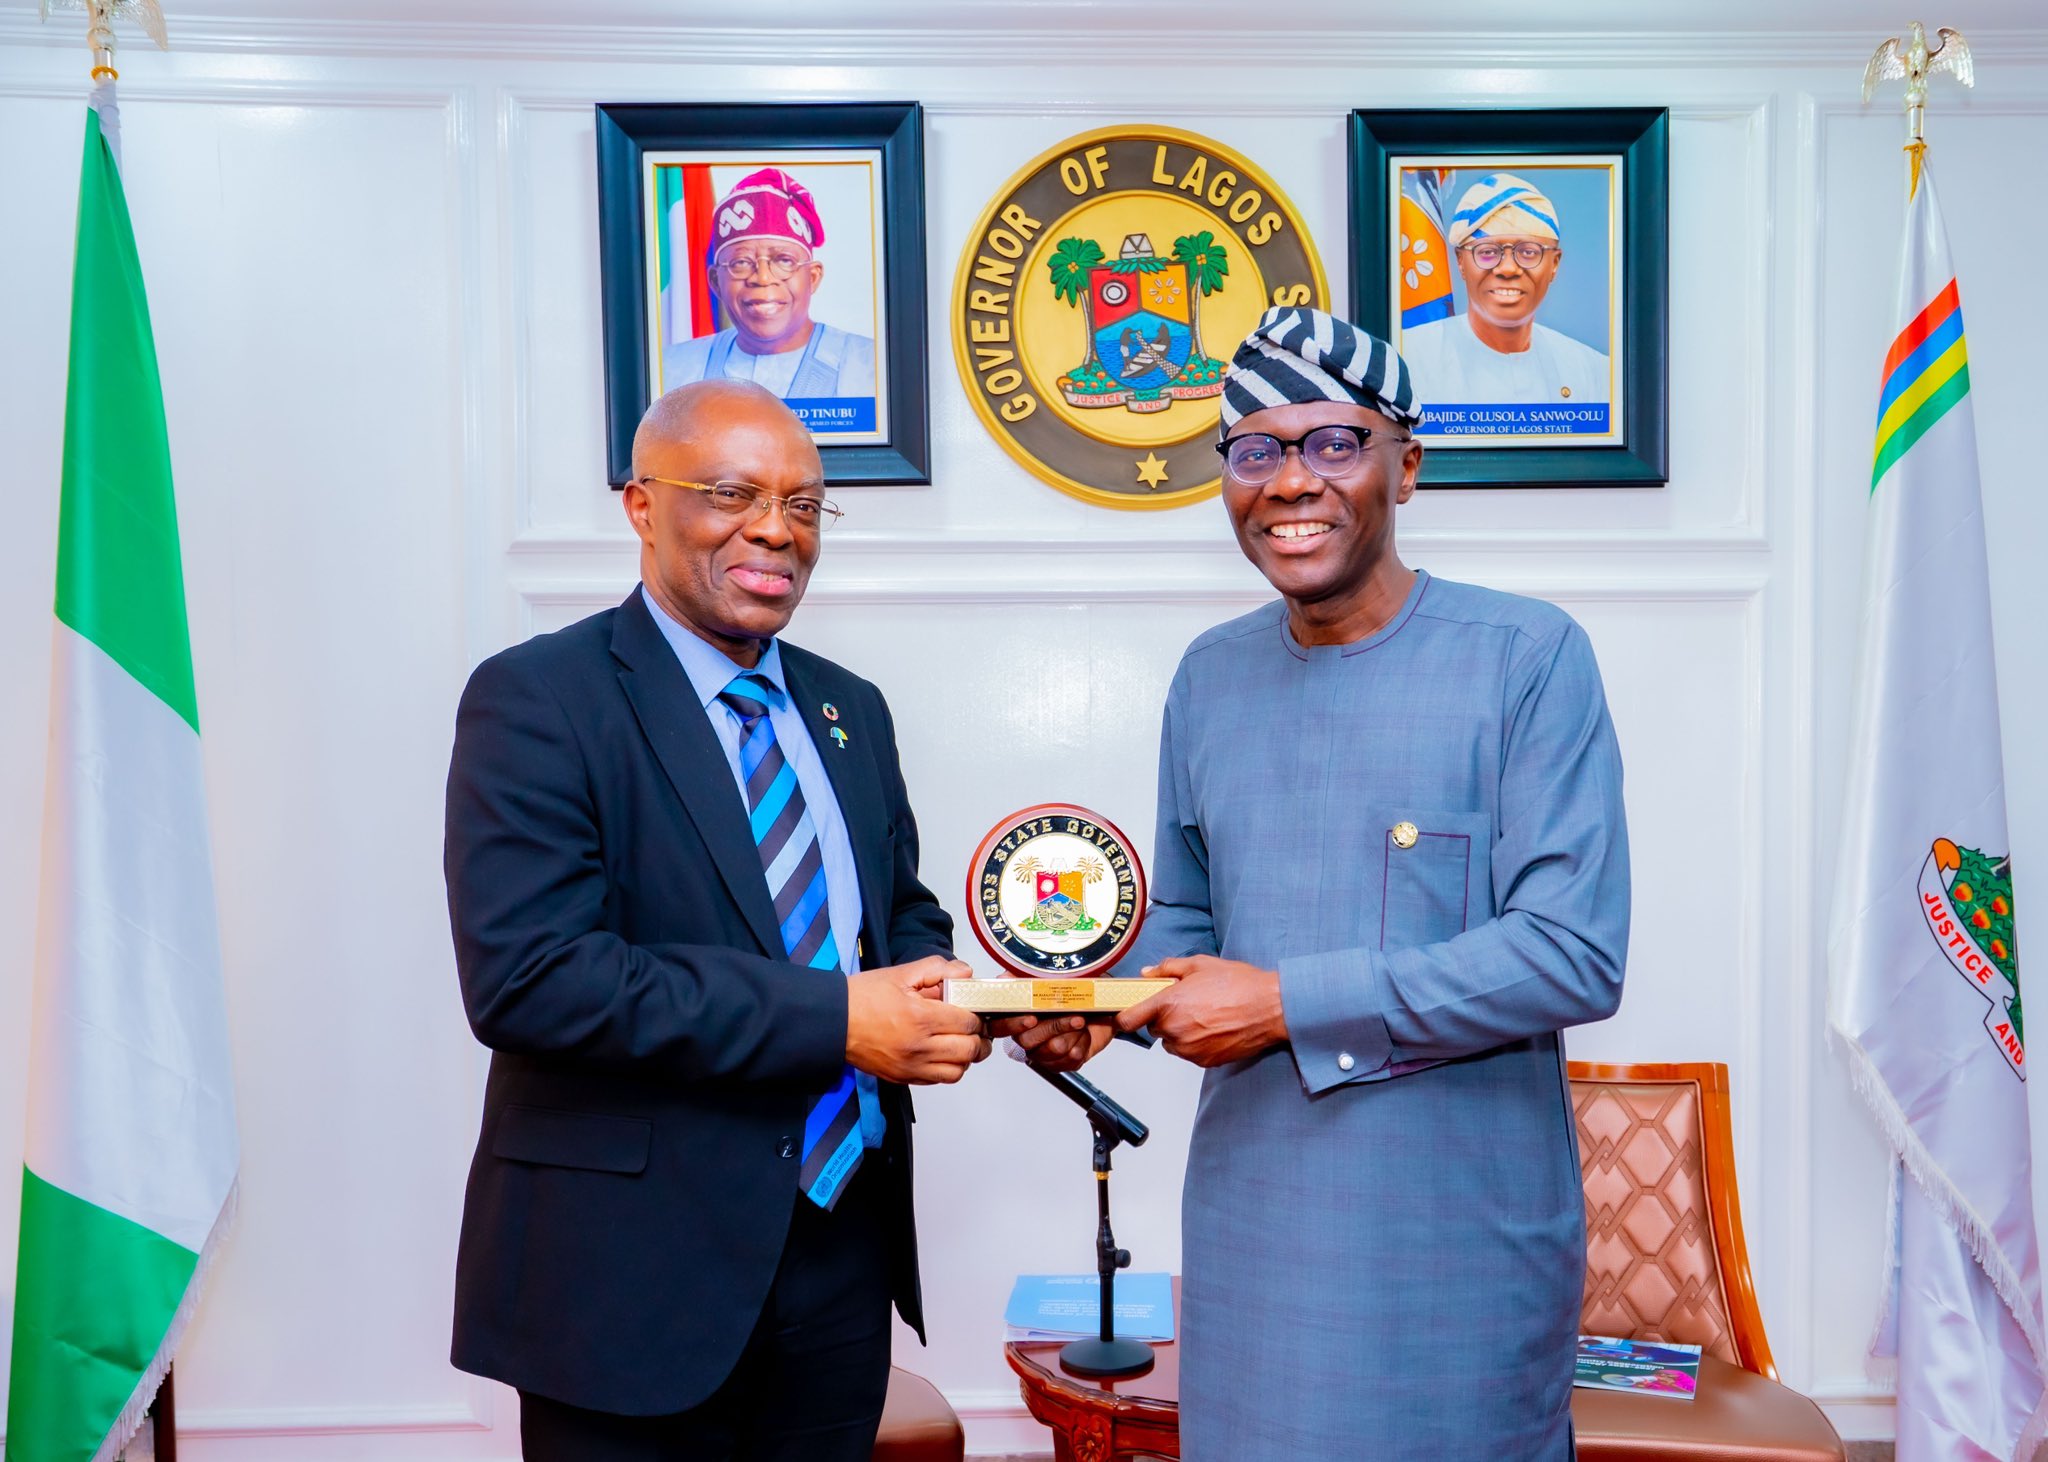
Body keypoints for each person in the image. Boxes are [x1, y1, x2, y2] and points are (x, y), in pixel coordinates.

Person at [1016, 306, 1631, 1458]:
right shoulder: (1209, 676)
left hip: (1456, 1249)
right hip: (1255, 1237)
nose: (1290, 481)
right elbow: (1186, 925)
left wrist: (1286, 1002)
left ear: (1407, 464)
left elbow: (1569, 951)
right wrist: (1095, 1009)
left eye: (1332, 444)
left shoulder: (1527, 657)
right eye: (1254, 450)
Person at [443, 379, 987, 1459]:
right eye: (732, 492)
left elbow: (895, 913)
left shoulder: (849, 708)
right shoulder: (537, 698)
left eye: (804, 502)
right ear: (643, 506)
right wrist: (835, 1018)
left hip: (837, 1255)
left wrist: (949, 991)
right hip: (627, 1280)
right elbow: (533, 978)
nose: (775, 529)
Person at [663, 168, 878, 401]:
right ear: (715, 281)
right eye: (741, 262)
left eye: (784, 261)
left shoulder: (874, 367)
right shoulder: (671, 370)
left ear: (813, 277)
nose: (763, 278)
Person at [1399, 171, 1610, 408]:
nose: (1508, 268)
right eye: (1487, 252)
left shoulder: (1595, 374)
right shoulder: (1404, 362)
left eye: (1529, 252)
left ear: (1554, 264)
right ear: (1460, 262)